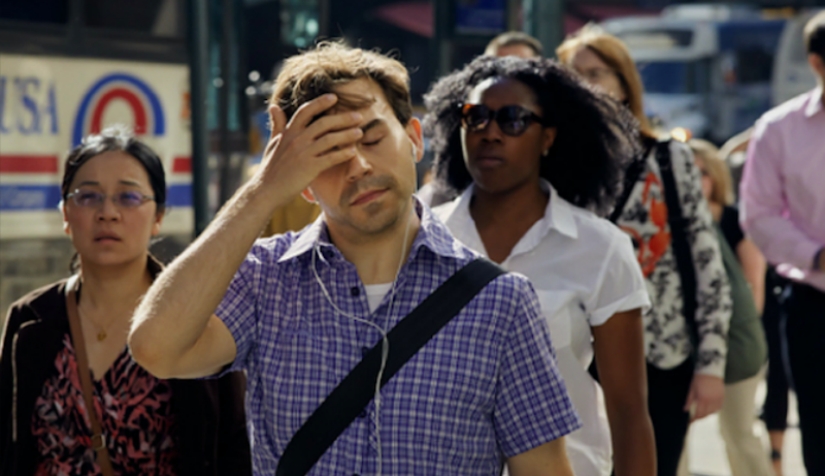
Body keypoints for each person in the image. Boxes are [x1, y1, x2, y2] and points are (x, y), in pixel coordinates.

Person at [129, 42, 581, 476]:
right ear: (302, 182)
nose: (359, 166)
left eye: (372, 137)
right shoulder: (264, 278)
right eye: (327, 153)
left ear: (414, 138)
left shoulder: (501, 302)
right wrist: (262, 191)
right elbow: (156, 348)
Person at [423, 55, 655, 476]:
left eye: (512, 119)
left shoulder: (600, 248)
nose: (490, 133)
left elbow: (628, 412)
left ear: (547, 138)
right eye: (475, 117)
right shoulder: (422, 239)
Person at [0, 127, 251, 476]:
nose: (107, 212)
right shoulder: (30, 318)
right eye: (88, 197)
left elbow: (234, 447)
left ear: (159, 216)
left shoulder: (198, 315)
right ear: (65, 215)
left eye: (128, 197)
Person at [557, 26, 731, 476]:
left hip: (664, 353)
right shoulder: (554, 166)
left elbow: (706, 264)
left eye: (598, 72)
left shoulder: (671, 159)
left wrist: (711, 365)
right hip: (578, 355)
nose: (587, 85)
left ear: (623, 81)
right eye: (574, 75)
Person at [739, 12, 825, 474]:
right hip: (813, 303)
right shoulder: (779, 129)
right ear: (817, 63)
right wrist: (818, 256)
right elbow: (759, 214)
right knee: (818, 431)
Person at [676, 139, 770, 476]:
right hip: (683, 341)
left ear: (714, 177)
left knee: (739, 434)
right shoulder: (674, 222)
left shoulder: (734, 221)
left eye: (702, 173)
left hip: (738, 341)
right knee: (674, 436)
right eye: (687, 171)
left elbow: (753, 286)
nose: (695, 180)